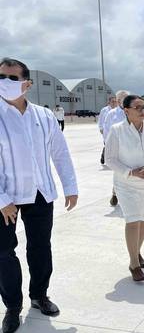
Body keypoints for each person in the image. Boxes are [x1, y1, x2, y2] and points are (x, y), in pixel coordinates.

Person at [0, 58, 78, 333]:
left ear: (27, 84)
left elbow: (60, 152)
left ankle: (39, 295)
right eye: (1, 78)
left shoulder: (44, 116)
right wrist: (2, 200)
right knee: (3, 252)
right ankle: (11, 306)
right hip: (6, 198)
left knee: (40, 247)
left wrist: (70, 186)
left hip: (40, 192)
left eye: (11, 78)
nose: (4, 83)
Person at [105, 95, 144, 281]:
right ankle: (134, 263)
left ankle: (136, 251)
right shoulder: (117, 131)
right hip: (126, 184)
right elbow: (110, 159)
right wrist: (131, 172)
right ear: (126, 111)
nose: (142, 110)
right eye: (138, 107)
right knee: (133, 220)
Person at [103, 90, 129, 206]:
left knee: (130, 172)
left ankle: (125, 194)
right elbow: (106, 131)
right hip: (117, 149)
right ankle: (115, 193)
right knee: (119, 172)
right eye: (122, 99)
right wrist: (108, 146)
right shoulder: (111, 114)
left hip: (131, 148)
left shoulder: (132, 112)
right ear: (118, 101)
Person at [98, 96, 118, 164]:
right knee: (107, 145)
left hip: (115, 132)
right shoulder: (104, 110)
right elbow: (100, 120)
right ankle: (103, 158)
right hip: (106, 131)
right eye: (112, 101)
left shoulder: (118, 111)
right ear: (109, 102)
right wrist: (101, 128)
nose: (114, 103)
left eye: (115, 101)